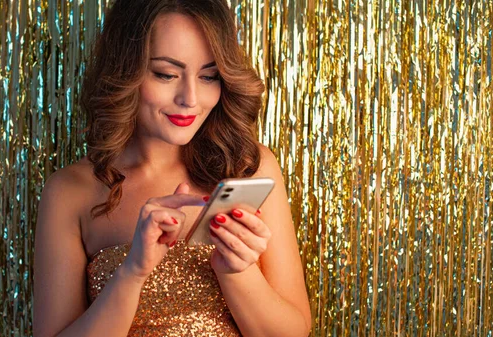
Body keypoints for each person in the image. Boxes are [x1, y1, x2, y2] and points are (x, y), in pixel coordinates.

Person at [32, 0, 311, 336]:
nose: (190, 98)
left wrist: (237, 271)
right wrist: (132, 271)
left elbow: (294, 331)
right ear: (125, 71)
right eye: (166, 74)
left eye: (209, 75)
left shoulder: (250, 167)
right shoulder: (70, 190)